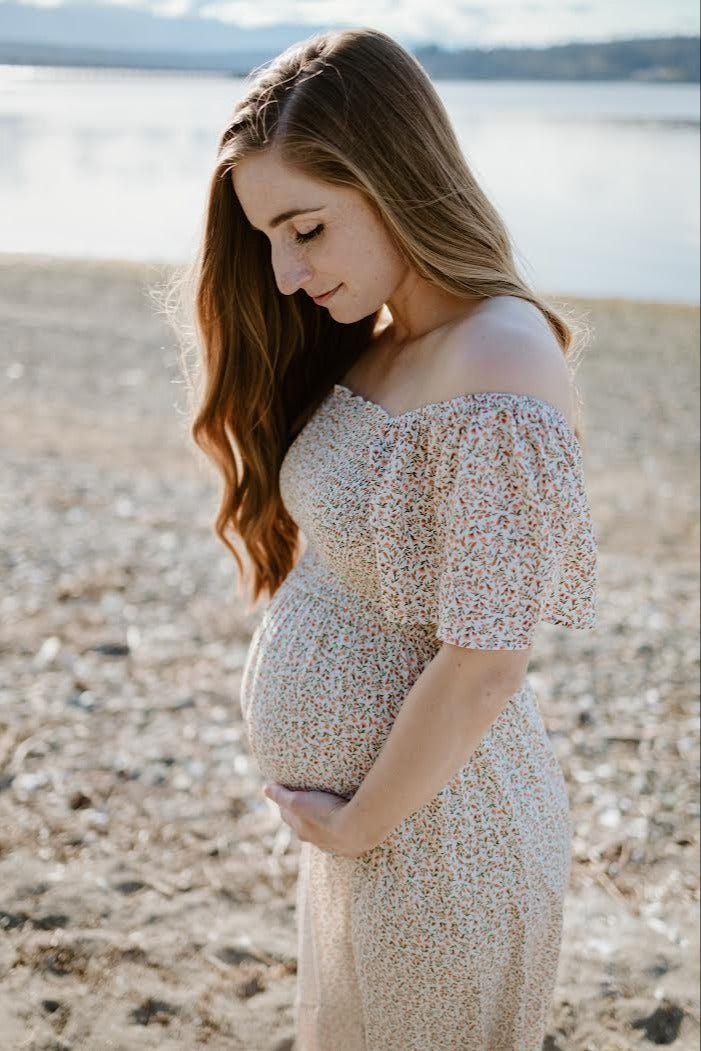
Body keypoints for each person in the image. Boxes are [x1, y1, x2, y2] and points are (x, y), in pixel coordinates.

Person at [176, 26, 599, 1051]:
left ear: (390, 176)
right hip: (382, 843)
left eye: (305, 228)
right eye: (268, 237)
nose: (282, 273)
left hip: (444, 846)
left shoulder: (494, 354)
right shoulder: (390, 341)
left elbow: (486, 661)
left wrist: (358, 823)